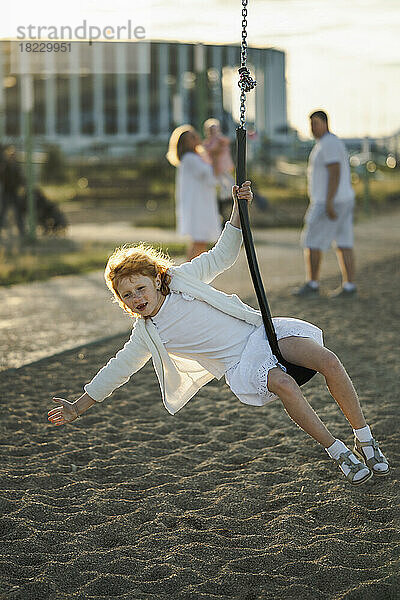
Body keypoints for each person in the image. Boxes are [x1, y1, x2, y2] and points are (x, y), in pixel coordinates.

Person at [48, 181, 389, 486]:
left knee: (327, 359)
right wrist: (79, 406)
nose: (137, 298)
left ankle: (364, 437)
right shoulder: (147, 333)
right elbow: (118, 369)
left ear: (156, 279)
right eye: (127, 295)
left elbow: (223, 254)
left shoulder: (183, 279)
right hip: (238, 363)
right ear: (121, 300)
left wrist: (239, 209)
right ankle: (337, 450)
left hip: (258, 332)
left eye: (140, 288)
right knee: (284, 384)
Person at [294, 111, 356, 298]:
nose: (313, 128)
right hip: (343, 199)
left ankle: (312, 284)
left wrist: (329, 201)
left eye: (316, 123)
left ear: (325, 123)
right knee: (344, 242)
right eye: (311, 124)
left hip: (328, 201)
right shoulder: (332, 142)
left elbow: (334, 172)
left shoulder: (328, 144)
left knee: (312, 240)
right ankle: (349, 286)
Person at [167, 124, 221, 261]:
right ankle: (188, 274)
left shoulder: (195, 158)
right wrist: (214, 156)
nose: (196, 137)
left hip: (200, 205)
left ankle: (194, 275)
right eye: (192, 137)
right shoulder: (190, 159)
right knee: (199, 241)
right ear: (185, 143)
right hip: (197, 207)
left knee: (200, 242)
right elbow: (209, 174)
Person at [203, 118, 235, 211]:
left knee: (228, 180)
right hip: (215, 165)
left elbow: (220, 146)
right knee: (220, 182)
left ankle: (228, 197)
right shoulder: (209, 141)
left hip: (222, 164)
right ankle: (223, 198)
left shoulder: (220, 139)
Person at [0, 146, 26, 238]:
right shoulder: (5, 166)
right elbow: (2, 177)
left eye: (13, 155)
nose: (12, 157)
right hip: (7, 191)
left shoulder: (16, 167)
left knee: (18, 212)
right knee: (3, 211)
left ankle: (22, 231)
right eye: (11, 155)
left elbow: (21, 178)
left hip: (14, 192)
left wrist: (23, 185)